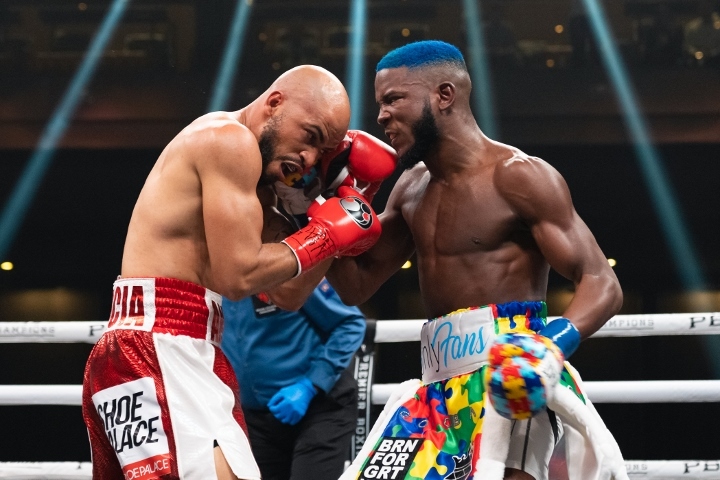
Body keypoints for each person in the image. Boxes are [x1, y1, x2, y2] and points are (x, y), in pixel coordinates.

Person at [326, 41, 627, 480]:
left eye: (394, 99)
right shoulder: (410, 187)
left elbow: (601, 282)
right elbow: (356, 284)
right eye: (380, 104)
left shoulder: (518, 176)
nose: (381, 116)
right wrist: (317, 207)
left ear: (444, 95)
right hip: (436, 389)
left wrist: (550, 346)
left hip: (511, 380)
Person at [81, 65, 385, 480]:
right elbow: (237, 278)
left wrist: (336, 208)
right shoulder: (229, 140)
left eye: (324, 151)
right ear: (275, 102)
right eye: (310, 136)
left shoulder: (259, 187)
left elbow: (287, 294)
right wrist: (326, 235)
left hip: (174, 345)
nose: (311, 158)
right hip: (160, 346)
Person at [221, 279, 366, 480]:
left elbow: (350, 324)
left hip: (320, 407)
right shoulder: (210, 283)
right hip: (255, 419)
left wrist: (310, 385)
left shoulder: (286, 272)